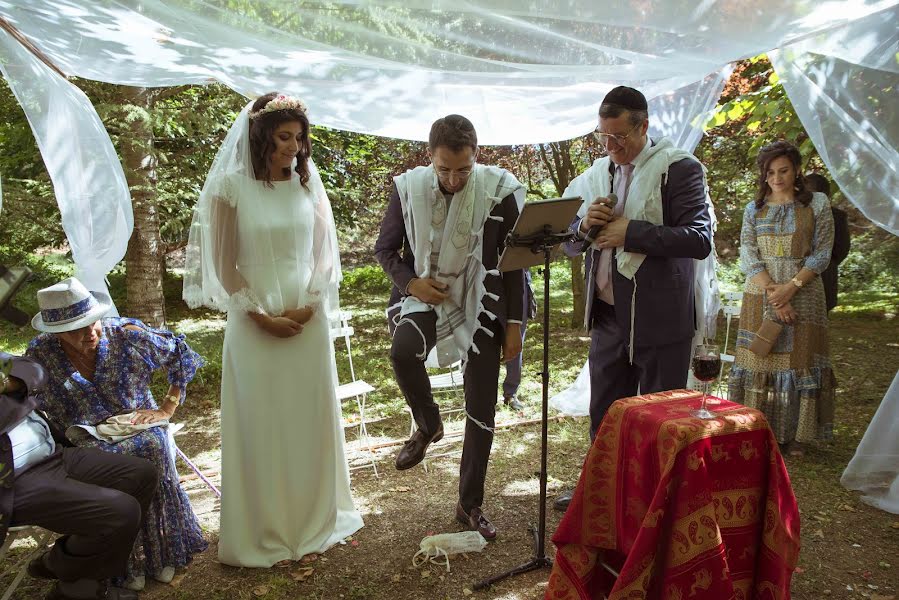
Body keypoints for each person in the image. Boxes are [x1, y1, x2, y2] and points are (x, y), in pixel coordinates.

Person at [183, 92, 362, 567]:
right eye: (285, 137)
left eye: (300, 138)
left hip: (308, 321)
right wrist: (260, 315)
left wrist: (308, 306)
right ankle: (263, 529)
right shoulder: (230, 187)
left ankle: (313, 518)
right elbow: (223, 264)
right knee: (262, 423)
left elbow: (325, 253)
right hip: (251, 322)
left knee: (307, 419)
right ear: (261, 136)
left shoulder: (306, 184)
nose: (294, 147)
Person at [555, 86, 712, 511]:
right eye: (603, 137)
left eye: (619, 138)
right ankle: (602, 494)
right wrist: (585, 223)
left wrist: (632, 231)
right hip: (608, 317)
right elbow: (569, 245)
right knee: (605, 415)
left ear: (643, 126)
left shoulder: (679, 169)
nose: (611, 147)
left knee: (660, 419)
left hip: (660, 319)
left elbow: (699, 239)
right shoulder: (596, 175)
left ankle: (656, 505)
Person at [374, 114, 526, 539]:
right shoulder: (407, 189)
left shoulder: (500, 190)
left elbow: (516, 265)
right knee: (403, 353)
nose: (455, 179)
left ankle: (469, 504)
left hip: (484, 301)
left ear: (476, 157)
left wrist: (514, 323)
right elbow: (385, 249)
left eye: (464, 169)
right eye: (445, 170)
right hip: (423, 295)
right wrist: (412, 283)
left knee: (481, 406)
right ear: (430, 158)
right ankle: (428, 423)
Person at [25, 277, 207, 590]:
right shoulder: (41, 354)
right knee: (109, 467)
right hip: (89, 433)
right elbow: (25, 398)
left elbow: (180, 354)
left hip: (140, 420)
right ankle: (128, 561)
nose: (89, 333)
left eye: (91, 322)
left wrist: (167, 407)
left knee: (152, 448)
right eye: (76, 329)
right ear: (55, 333)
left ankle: (165, 553)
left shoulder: (126, 334)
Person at [1, 352, 158, 600]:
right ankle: (80, 588)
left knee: (141, 474)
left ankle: (59, 565)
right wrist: (15, 399)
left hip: (52, 454)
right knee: (122, 511)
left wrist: (10, 383)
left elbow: (32, 369)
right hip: (12, 480)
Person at [729, 140, 835, 448]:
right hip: (759, 291)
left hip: (804, 290)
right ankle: (754, 429)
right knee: (759, 358)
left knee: (798, 360)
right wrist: (775, 294)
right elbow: (748, 255)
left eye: (784, 170)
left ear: (797, 170)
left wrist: (790, 289)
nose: (777, 178)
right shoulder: (754, 209)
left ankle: (797, 437)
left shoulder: (816, 204)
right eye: (770, 172)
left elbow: (822, 253)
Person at [804, 172, 850, 312]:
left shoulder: (837, 216)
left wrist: (824, 262)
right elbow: (842, 249)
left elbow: (841, 249)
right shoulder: (795, 213)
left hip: (824, 277)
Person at [500, 270, 535, 411]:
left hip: (519, 278)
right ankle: (480, 392)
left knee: (516, 340)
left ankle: (511, 393)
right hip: (486, 275)